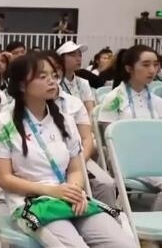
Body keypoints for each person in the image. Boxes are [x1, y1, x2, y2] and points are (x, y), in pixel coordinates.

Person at [0, 53, 132, 248]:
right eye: (42, 76)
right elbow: (5, 179)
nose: (52, 81)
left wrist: (74, 191)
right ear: (22, 85)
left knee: (124, 243)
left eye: (54, 75)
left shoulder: (65, 120)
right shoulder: (3, 124)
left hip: (67, 197)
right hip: (32, 203)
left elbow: (76, 168)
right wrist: (51, 191)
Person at [97, 45, 162, 214]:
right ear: (129, 68)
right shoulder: (114, 99)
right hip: (129, 159)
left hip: (158, 157)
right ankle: (152, 228)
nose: (152, 70)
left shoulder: (157, 100)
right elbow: (109, 139)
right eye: (146, 65)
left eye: (155, 64)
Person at [42, 52, 116, 206]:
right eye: (43, 74)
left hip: (77, 158)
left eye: (56, 70)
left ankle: (109, 216)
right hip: (41, 161)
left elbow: (86, 139)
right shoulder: (21, 107)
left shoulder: (74, 103)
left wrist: (78, 162)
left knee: (106, 184)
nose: (51, 77)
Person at [56, 42, 96, 113]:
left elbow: (90, 110)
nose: (78, 59)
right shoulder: (55, 83)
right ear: (61, 59)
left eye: (80, 55)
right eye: (73, 55)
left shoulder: (83, 83)